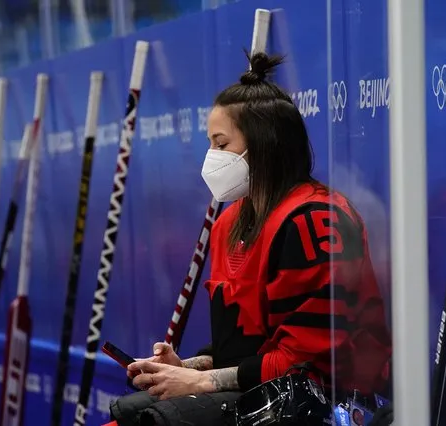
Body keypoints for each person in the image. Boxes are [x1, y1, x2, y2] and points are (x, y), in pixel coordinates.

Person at [109, 51, 392, 426]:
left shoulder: (314, 221)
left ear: (263, 145)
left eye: (221, 144)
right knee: (128, 414)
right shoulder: (230, 225)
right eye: (210, 143)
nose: (211, 157)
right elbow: (246, 349)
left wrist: (200, 380)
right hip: (265, 392)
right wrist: (185, 366)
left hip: (327, 400)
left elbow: (301, 360)